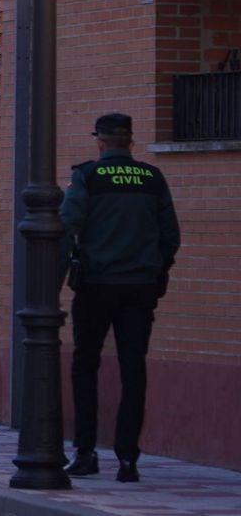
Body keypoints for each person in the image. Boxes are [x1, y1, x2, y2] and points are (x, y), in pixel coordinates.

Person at [61, 113, 180, 484]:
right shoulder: (151, 178)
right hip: (140, 287)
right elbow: (171, 236)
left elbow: (68, 223)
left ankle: (85, 453)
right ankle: (128, 461)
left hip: (96, 284)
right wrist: (155, 270)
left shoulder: (87, 176)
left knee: (85, 366)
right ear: (130, 142)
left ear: (100, 142)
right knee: (134, 370)